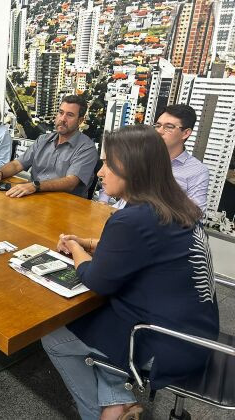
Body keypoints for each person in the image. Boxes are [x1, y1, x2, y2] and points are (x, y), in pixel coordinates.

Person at [42, 125, 219, 420]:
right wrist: (90, 243)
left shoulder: (132, 219)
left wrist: (75, 248)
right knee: (102, 320)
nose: (100, 172)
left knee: (55, 338)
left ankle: (97, 413)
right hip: (199, 330)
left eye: (108, 164)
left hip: (163, 339)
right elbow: (144, 248)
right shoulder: (174, 205)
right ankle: (118, 402)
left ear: (131, 169)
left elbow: (96, 280)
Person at [0, 95, 98, 198]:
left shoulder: (86, 148)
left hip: (64, 206)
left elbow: (70, 182)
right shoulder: (43, 140)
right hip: (34, 197)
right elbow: (17, 165)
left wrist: (35, 186)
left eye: (70, 115)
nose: (62, 119)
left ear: (80, 120)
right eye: (61, 113)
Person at [99, 104, 209, 212]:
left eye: (168, 127)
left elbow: (197, 212)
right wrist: (103, 202)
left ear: (185, 133)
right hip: (119, 213)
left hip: (153, 224)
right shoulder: (142, 154)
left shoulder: (197, 170)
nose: (160, 131)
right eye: (158, 125)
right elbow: (113, 176)